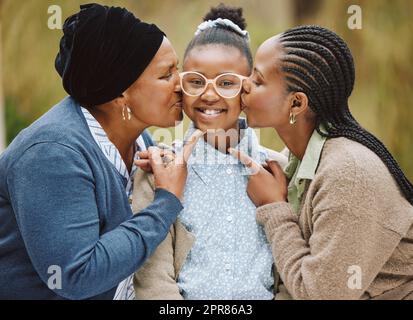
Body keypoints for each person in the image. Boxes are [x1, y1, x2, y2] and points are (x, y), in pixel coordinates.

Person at [0, 3, 201, 300]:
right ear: (120, 92)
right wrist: (165, 201)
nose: (181, 84)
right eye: (166, 75)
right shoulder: (52, 154)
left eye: (178, 69)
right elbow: (74, 276)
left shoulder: (142, 142)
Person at [231, 25, 413, 299]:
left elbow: (319, 295)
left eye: (257, 80)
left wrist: (274, 208)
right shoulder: (301, 156)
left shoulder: (348, 175)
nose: (243, 83)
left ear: (296, 104)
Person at [133, 4, 287, 300]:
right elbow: (152, 280)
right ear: (181, 86)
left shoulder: (278, 169)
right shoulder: (160, 170)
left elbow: (291, 275)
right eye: (196, 81)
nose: (209, 94)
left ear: (248, 90)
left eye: (227, 83)